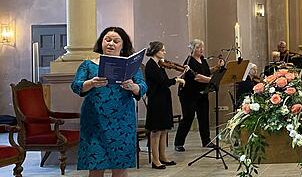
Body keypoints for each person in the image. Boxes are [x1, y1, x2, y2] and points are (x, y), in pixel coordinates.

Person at [71, 27, 147, 176]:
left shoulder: (131, 66)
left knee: (120, 168)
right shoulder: (88, 64)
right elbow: (76, 85)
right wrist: (91, 83)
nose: (111, 43)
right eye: (107, 39)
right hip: (95, 120)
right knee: (95, 167)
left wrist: (133, 86)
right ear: (101, 42)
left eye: (116, 41)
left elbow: (143, 87)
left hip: (122, 120)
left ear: (123, 45)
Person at [144, 41, 185, 169]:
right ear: (156, 51)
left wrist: (178, 77)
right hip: (156, 101)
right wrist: (177, 80)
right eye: (162, 50)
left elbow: (164, 81)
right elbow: (163, 82)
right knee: (156, 131)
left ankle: (163, 157)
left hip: (163, 100)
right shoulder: (151, 65)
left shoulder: (159, 65)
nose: (164, 52)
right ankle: (155, 160)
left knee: (163, 130)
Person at [174, 39, 216, 152]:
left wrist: (217, 68)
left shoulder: (202, 59)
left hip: (202, 93)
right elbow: (197, 77)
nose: (201, 49)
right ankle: (178, 142)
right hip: (188, 94)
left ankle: (206, 140)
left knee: (204, 117)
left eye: (202, 47)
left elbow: (206, 72)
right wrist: (212, 80)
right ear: (193, 49)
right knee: (188, 117)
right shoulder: (189, 62)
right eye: (198, 47)